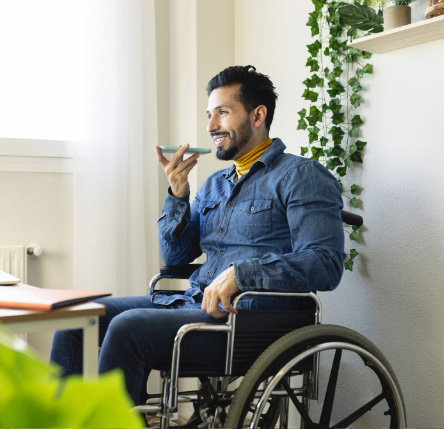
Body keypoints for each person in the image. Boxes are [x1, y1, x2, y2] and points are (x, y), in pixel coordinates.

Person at [50, 65, 345, 406]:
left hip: (250, 322)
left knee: (126, 328)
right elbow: (176, 258)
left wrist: (242, 274)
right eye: (209, 115)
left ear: (258, 114)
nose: (210, 127)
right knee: (77, 318)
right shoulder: (214, 185)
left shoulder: (300, 176)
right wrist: (177, 195)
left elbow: (325, 264)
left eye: (223, 112)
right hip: (194, 304)